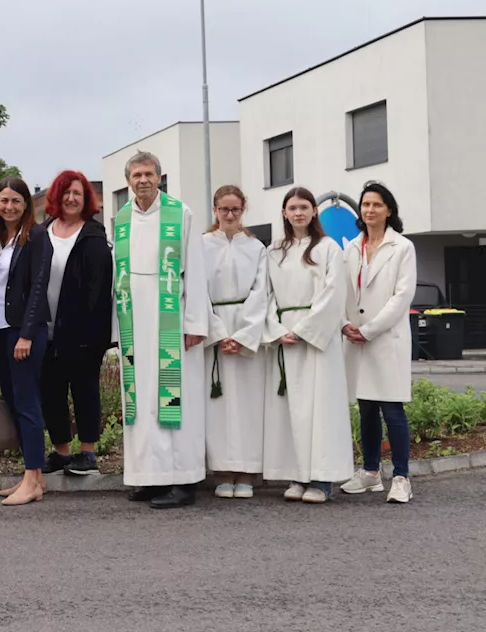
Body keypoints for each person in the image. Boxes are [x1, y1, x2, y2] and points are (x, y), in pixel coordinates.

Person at [113, 151, 209, 509]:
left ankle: (182, 481)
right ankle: (149, 478)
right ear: (128, 180)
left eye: (148, 173)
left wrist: (196, 321)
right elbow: (117, 278)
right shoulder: (121, 219)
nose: (143, 180)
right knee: (140, 403)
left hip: (171, 316)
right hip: (134, 320)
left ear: (159, 177)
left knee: (172, 399)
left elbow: (196, 268)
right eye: (136, 174)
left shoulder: (179, 214)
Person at [263, 187, 353, 504]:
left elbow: (333, 294)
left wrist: (303, 330)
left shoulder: (328, 248)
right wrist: (275, 329)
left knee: (320, 409)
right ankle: (296, 476)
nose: (298, 213)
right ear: (284, 213)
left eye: (304, 207)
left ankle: (321, 479)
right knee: (291, 411)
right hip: (284, 337)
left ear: (314, 211)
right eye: (292, 207)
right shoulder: (274, 251)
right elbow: (265, 294)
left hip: (317, 340)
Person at [341, 181, 417, 504]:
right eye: (365, 204)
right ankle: (370, 472)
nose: (369, 210)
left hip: (386, 339)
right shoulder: (351, 247)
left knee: (392, 408)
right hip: (357, 339)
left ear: (388, 210)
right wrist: (346, 324)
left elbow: (402, 298)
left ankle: (401, 477)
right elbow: (343, 290)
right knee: (366, 408)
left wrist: (369, 329)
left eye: (376, 204)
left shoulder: (402, 248)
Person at [0, 177, 52, 506]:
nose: (9, 206)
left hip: (22, 332)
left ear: (27, 205)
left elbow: (39, 287)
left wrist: (26, 333)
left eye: (16, 201)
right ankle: (33, 478)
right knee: (14, 401)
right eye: (4, 201)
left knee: (27, 402)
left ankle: (32, 478)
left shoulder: (36, 237)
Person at [39, 170, 112, 477]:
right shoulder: (42, 231)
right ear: (56, 195)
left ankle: (88, 453)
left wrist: (91, 334)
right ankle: (61, 452)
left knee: (84, 389)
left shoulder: (94, 235)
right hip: (46, 329)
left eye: (77, 194)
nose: (71, 198)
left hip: (83, 332)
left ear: (86, 200)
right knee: (50, 391)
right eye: (66, 192)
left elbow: (99, 288)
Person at [201, 185, 271, 500]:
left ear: (243, 211)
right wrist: (217, 333)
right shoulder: (201, 246)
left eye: (236, 210)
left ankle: (245, 472)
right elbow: (198, 292)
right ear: (215, 210)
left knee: (248, 404)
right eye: (224, 209)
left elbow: (262, 292)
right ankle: (222, 471)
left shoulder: (256, 249)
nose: (230, 215)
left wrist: (242, 335)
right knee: (216, 405)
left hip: (246, 333)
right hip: (215, 331)